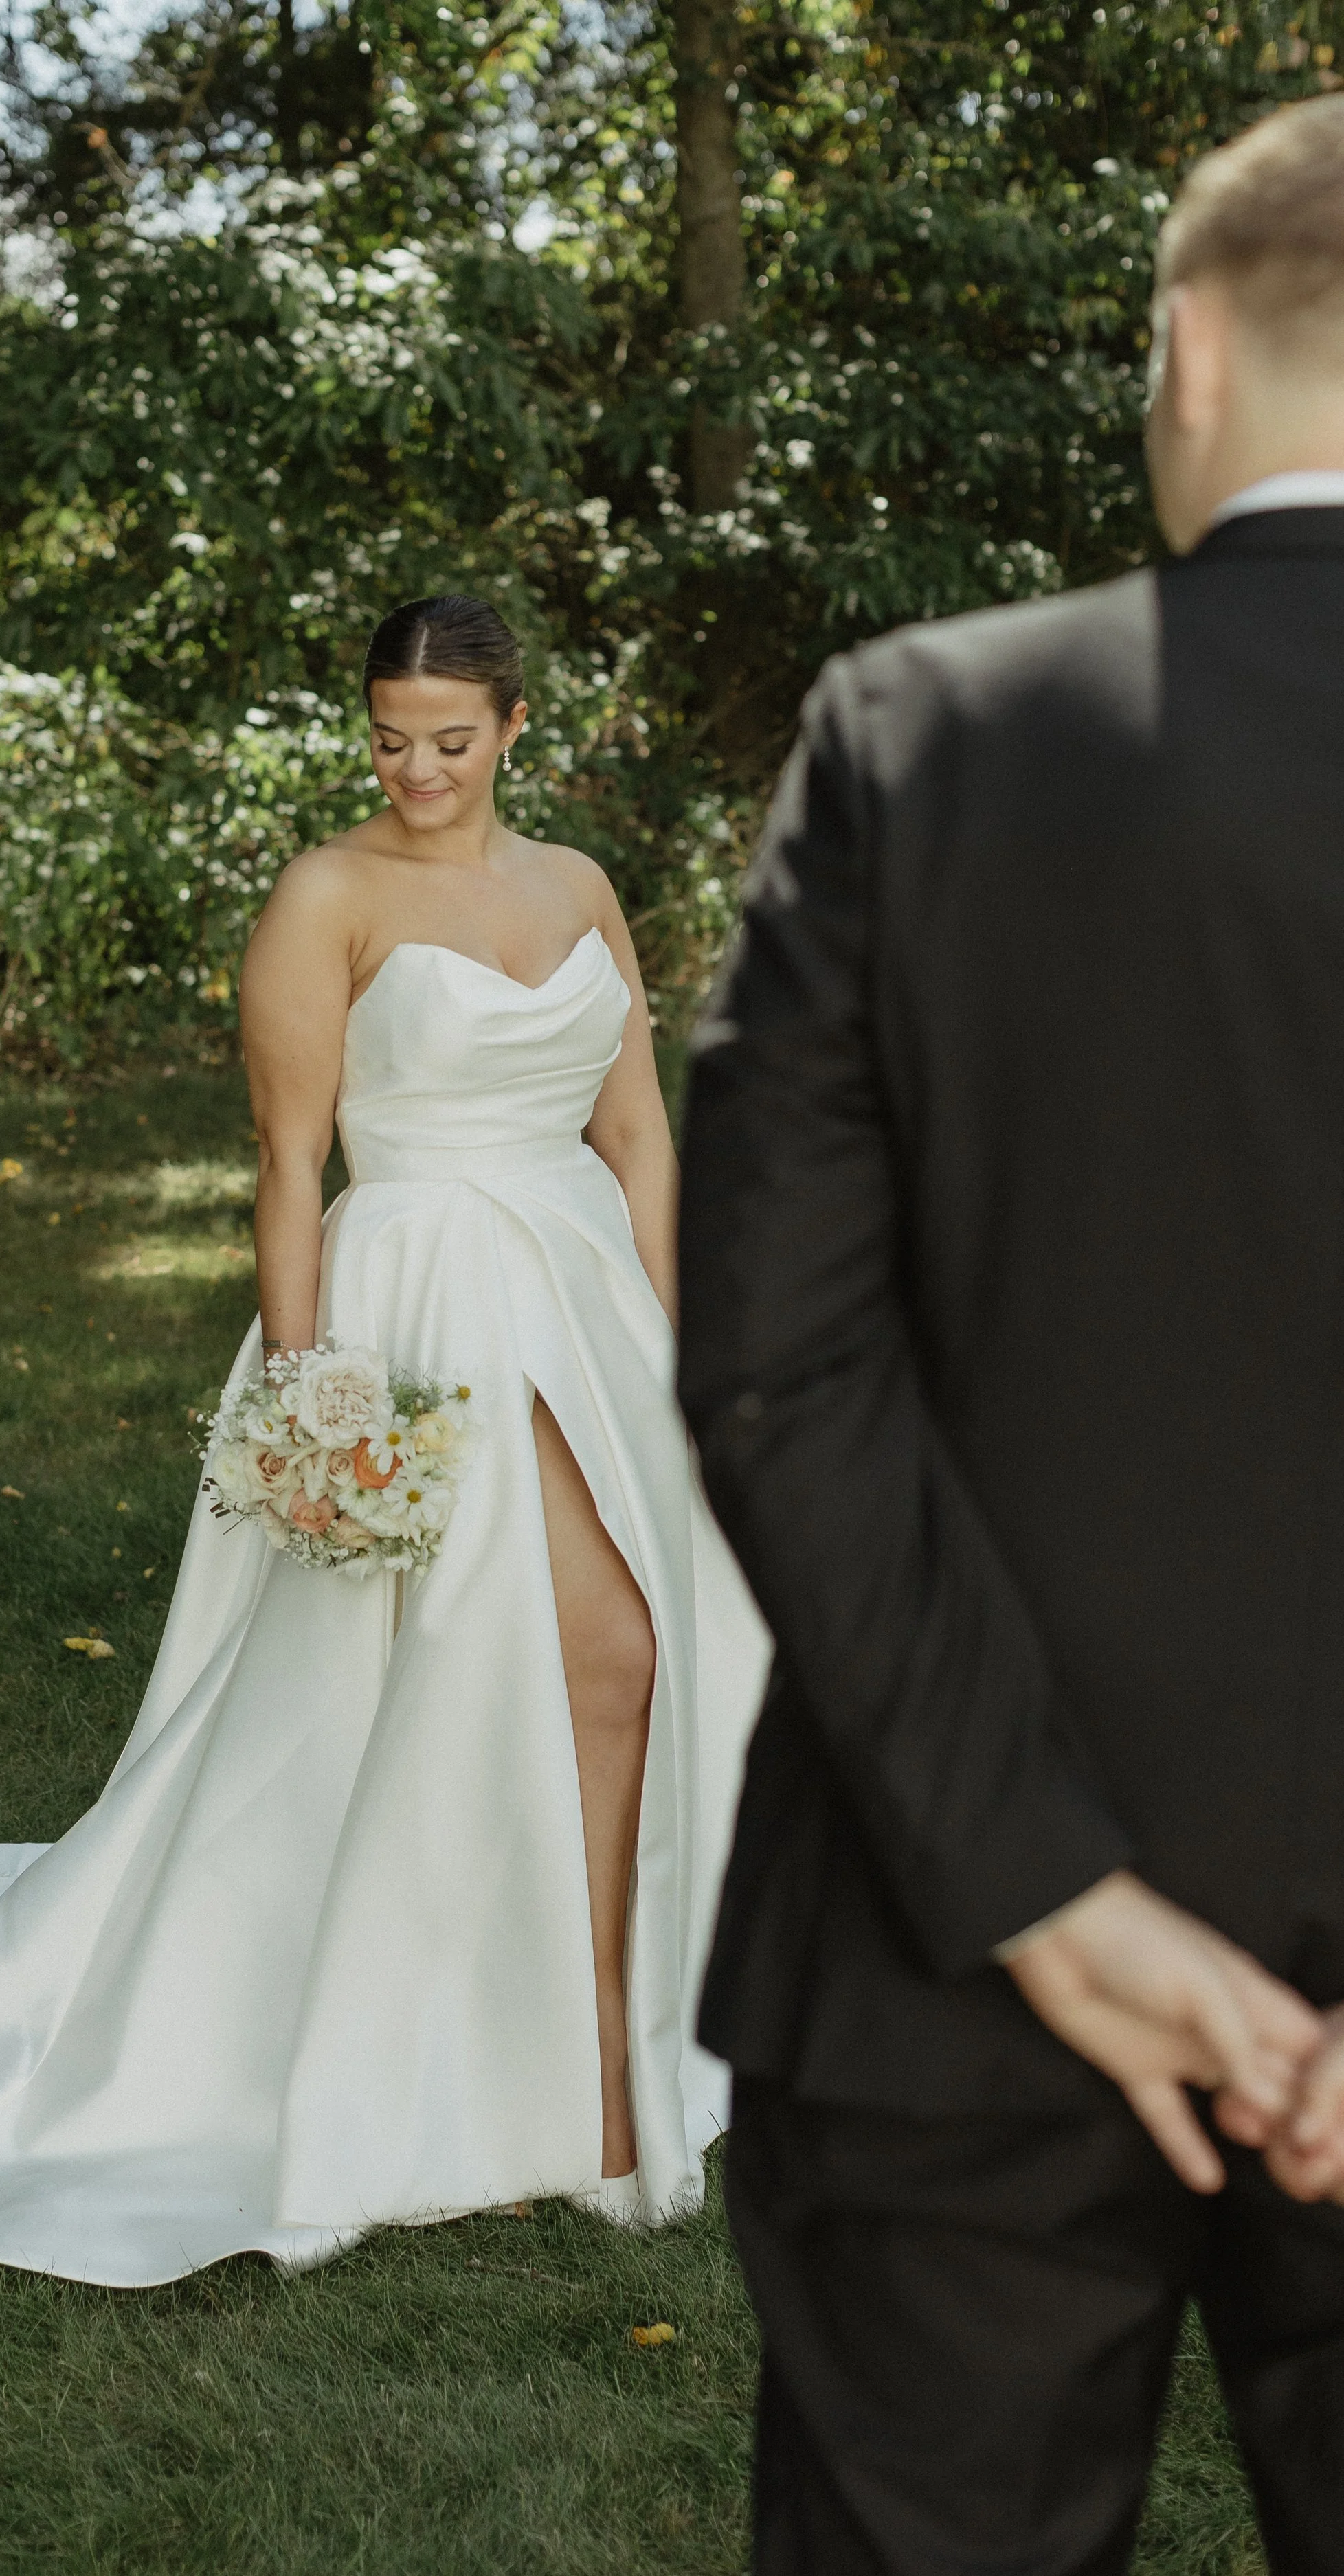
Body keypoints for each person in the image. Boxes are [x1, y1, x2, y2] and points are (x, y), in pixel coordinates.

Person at [0, 592, 766, 2284]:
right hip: (419, 1315)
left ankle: (589, 2014)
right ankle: (589, 2086)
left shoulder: (579, 886)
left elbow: (641, 1138)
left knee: (629, 1666)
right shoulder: (327, 896)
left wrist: (685, 1344)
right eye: (387, 737)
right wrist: (311, 1392)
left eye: (450, 740)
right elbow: (289, 1163)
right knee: (582, 1657)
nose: (416, 769)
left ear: (516, 727)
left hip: (586, 1298)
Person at [678, 95, 1344, 2576]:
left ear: (1183, 351)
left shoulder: (920, 736)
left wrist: (1052, 1889)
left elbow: (775, 1362)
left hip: (944, 1973)